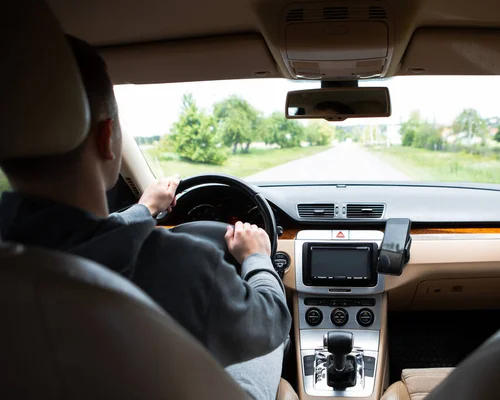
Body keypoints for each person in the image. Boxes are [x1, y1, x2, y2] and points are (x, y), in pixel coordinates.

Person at [0, 36, 291, 400]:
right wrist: (258, 259)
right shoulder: (182, 267)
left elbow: (80, 241)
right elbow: (271, 323)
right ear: (108, 137)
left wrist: (145, 209)